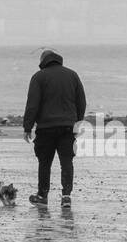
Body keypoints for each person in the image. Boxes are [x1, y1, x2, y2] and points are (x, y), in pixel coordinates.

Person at [23, 48, 87, 206]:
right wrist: (78, 123)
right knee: (67, 161)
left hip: (46, 128)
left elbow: (32, 105)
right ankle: (66, 196)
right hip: (68, 127)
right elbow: (81, 102)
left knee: (44, 162)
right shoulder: (72, 75)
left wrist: (27, 127)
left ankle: (42, 196)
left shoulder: (38, 77)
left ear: (42, 62)